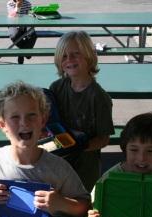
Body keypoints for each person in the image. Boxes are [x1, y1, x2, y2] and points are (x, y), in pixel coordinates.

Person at [0, 81, 90, 217]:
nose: (24, 123)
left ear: (43, 120)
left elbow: (83, 205)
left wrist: (61, 203)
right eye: (15, 117)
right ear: (2, 124)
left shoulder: (58, 167)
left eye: (32, 115)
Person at [49, 31, 114, 194]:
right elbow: (49, 121)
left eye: (75, 54)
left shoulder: (99, 97)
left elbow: (104, 139)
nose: (69, 60)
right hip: (58, 160)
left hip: (85, 167)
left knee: (81, 207)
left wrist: (78, 146)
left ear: (89, 56)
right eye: (64, 56)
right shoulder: (56, 88)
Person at [6, 0, 37, 64]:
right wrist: (18, 6)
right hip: (13, 24)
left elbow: (30, 15)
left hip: (25, 24)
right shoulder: (10, 3)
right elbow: (12, 17)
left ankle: (22, 53)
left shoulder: (27, 3)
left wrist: (33, 14)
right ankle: (25, 53)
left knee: (33, 35)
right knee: (14, 36)